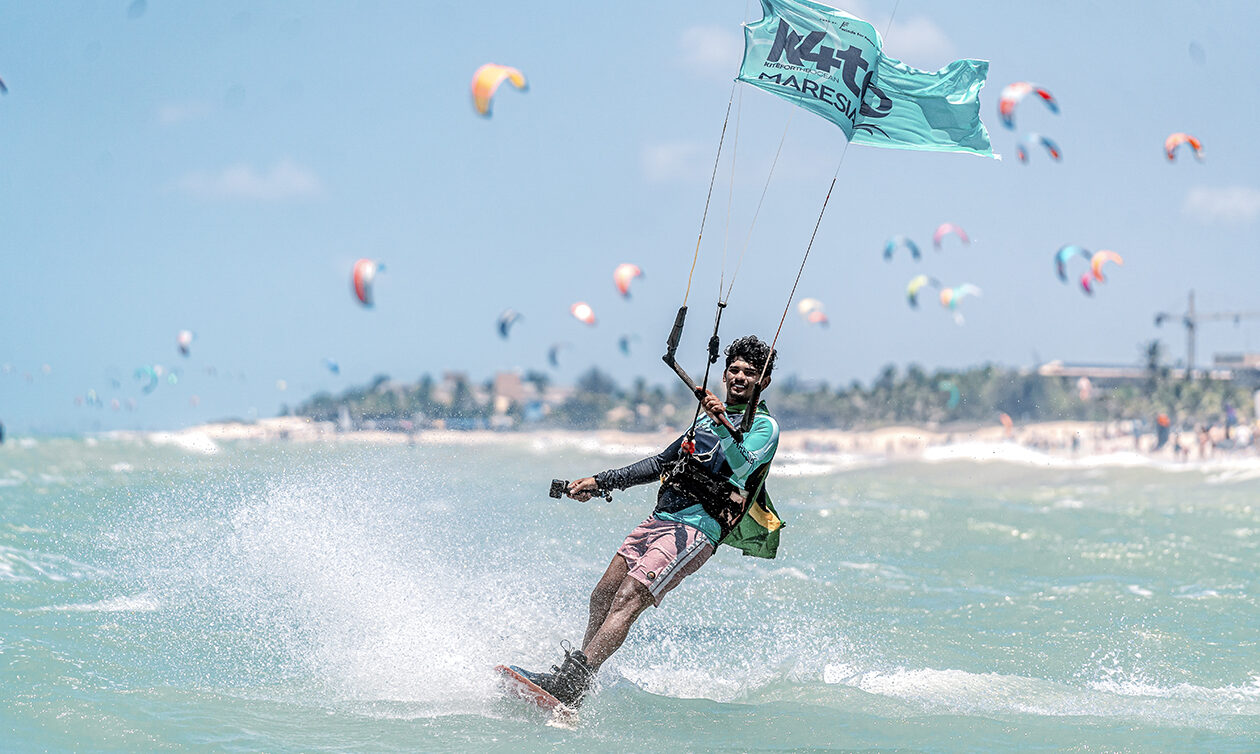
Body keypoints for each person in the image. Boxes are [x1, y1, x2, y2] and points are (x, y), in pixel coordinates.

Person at [517, 335, 781, 707]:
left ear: (763, 382)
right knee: (603, 595)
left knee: (629, 597)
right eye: (734, 370)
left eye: (750, 373)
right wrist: (600, 481)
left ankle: (573, 684)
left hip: (696, 531)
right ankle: (573, 679)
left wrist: (721, 421)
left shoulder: (765, 427)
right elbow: (659, 463)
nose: (739, 377)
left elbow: (743, 464)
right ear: (724, 374)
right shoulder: (703, 425)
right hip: (662, 520)